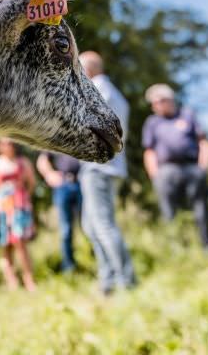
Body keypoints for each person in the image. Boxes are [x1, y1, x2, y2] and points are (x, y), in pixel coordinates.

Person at [79, 51, 136, 295]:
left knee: (102, 225)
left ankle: (125, 280)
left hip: (98, 168)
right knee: (92, 226)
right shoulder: (117, 95)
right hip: (106, 167)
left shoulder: (100, 91)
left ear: (89, 69)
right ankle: (108, 279)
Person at [142, 83, 208, 252]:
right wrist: (155, 175)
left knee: (201, 211)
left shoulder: (187, 115)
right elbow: (149, 151)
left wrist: (203, 167)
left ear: (169, 99)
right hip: (166, 171)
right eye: (153, 103)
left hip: (192, 168)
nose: (155, 105)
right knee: (169, 213)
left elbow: (203, 142)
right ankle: (179, 251)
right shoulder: (152, 122)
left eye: (158, 101)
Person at [0, 139, 37, 291]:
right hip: (1, 208)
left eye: (10, 142)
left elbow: (31, 183)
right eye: (4, 142)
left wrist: (22, 198)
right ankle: (11, 281)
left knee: (20, 242)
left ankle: (29, 279)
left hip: (19, 206)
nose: (7, 145)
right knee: (6, 245)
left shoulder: (23, 162)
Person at [37, 152, 81, 272]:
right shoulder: (60, 134)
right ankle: (69, 267)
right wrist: (49, 174)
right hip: (64, 184)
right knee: (66, 229)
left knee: (89, 226)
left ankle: (98, 264)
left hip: (83, 182)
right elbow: (42, 159)